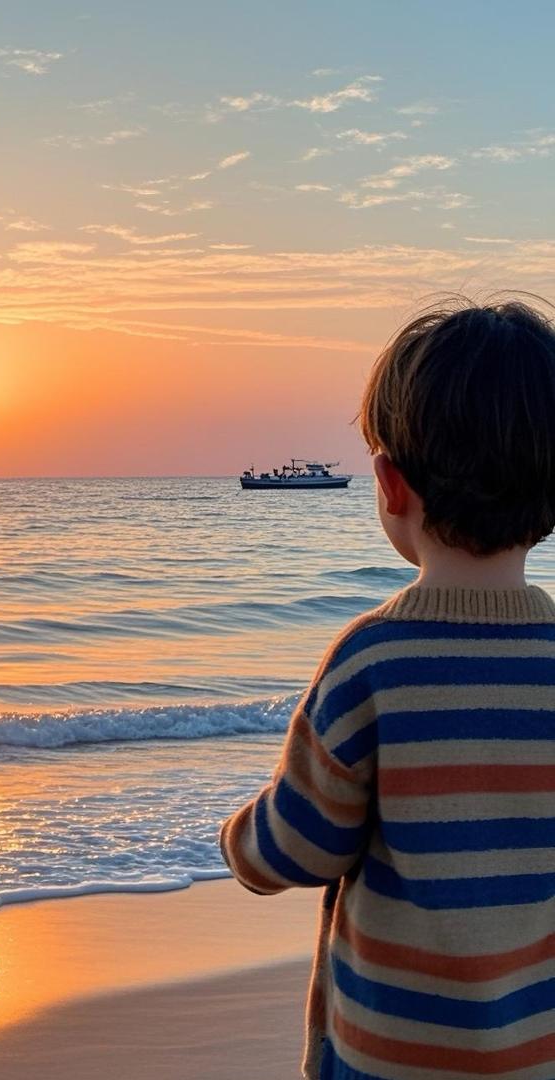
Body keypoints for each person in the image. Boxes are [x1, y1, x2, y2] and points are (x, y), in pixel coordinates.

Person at [220, 297, 555, 1079]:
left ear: (389, 483)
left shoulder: (374, 660)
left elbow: (299, 845)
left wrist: (240, 842)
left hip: (387, 1054)